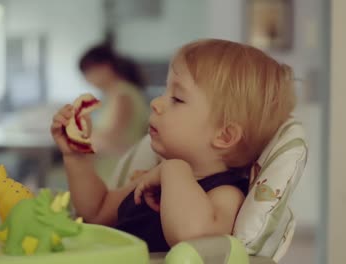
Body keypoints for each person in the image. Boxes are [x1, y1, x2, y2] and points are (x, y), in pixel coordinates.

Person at [50, 39, 296, 252]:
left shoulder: (225, 194)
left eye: (177, 98)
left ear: (224, 136)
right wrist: (76, 157)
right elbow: (96, 212)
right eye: (165, 92)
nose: (157, 102)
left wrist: (175, 170)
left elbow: (192, 239)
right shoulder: (152, 177)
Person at [78, 43, 149, 181]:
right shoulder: (117, 94)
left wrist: (80, 137)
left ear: (105, 67)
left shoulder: (122, 95)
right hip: (115, 166)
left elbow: (112, 139)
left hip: (116, 170)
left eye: (88, 72)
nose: (87, 79)